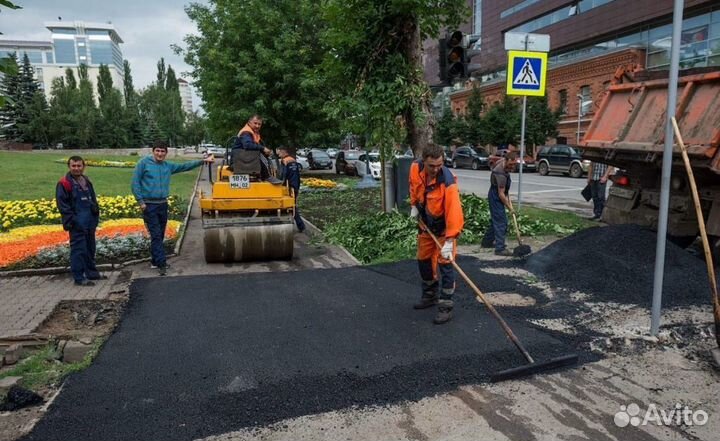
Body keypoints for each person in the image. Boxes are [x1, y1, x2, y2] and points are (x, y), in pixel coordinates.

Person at [132, 140, 214, 275]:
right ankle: (161, 263)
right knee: (156, 234)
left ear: (166, 153)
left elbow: (185, 166)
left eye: (162, 151)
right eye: (157, 150)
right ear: (153, 151)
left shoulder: (167, 166)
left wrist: (202, 161)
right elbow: (135, 183)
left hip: (162, 204)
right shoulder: (143, 164)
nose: (160, 153)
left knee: (160, 234)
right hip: (149, 204)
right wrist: (141, 201)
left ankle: (154, 261)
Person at [409, 144, 464, 324]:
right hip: (426, 224)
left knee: (445, 264)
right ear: (423, 161)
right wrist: (413, 205)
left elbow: (454, 213)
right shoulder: (415, 169)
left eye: (439, 165)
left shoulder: (448, 182)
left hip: (444, 229)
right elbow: (414, 186)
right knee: (423, 259)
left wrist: (450, 240)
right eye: (431, 165)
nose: (435, 169)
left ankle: (446, 307)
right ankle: (430, 295)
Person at [56, 156, 103, 286]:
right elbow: (63, 205)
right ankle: (79, 277)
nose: (76, 168)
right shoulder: (64, 183)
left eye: (79, 166)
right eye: (73, 166)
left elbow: (93, 199)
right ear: (69, 167)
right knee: (79, 250)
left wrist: (95, 215)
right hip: (76, 223)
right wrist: (73, 220)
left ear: (83, 167)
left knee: (90, 248)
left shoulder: (86, 180)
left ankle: (91, 273)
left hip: (89, 220)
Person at [482, 151, 518, 256]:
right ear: (506, 160)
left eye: (514, 164)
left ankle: (486, 242)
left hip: (497, 193)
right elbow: (501, 194)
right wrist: (510, 208)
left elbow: (504, 191)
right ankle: (500, 248)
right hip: (495, 196)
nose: (512, 167)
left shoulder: (504, 162)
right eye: (511, 164)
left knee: (495, 221)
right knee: (501, 222)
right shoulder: (500, 173)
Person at [232, 115, 282, 184]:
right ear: (249, 122)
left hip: (244, 157)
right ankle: (266, 176)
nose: (257, 126)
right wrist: (263, 148)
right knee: (260, 157)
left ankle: (263, 176)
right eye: (255, 123)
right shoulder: (246, 132)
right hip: (239, 157)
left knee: (262, 155)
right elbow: (247, 145)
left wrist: (265, 151)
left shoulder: (254, 133)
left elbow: (255, 145)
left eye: (259, 124)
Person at [277, 146, 306, 233]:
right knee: (293, 205)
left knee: (292, 206)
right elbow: (296, 174)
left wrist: (280, 183)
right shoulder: (293, 160)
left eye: (279, 152)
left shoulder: (284, 161)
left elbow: (284, 174)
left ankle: (301, 225)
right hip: (295, 185)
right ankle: (300, 225)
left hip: (290, 186)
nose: (278, 154)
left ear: (284, 152)